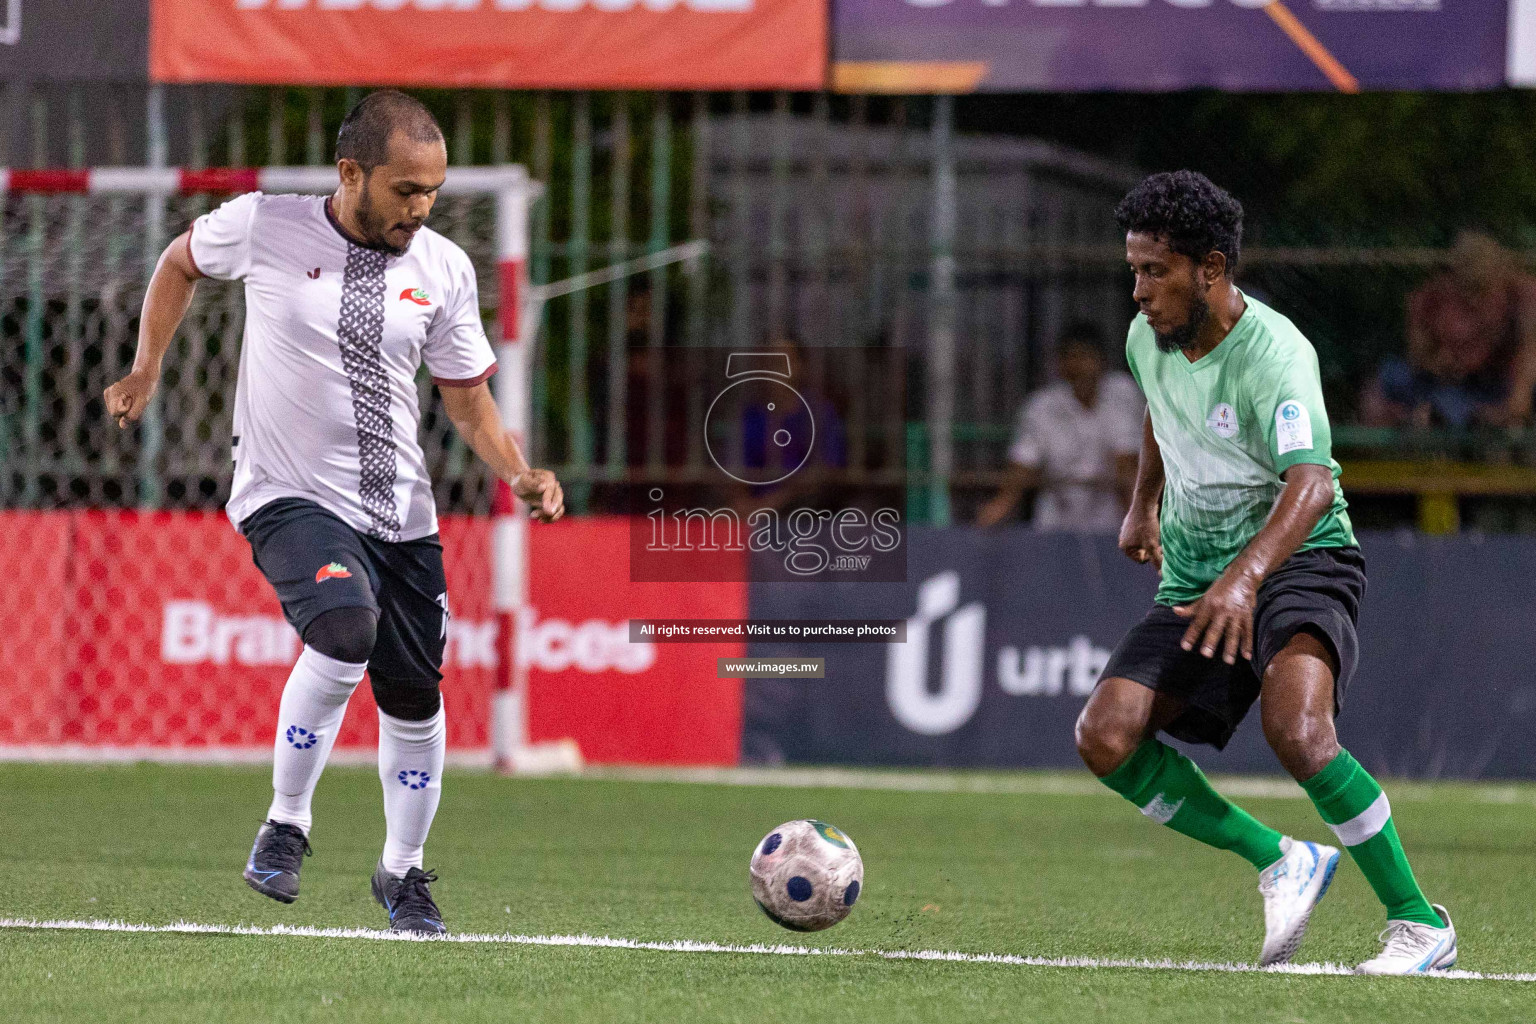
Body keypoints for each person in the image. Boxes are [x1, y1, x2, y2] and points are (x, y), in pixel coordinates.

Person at [102, 91, 565, 935]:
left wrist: (520, 471)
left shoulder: (446, 269)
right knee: (344, 628)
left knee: (415, 701)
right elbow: (177, 263)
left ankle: (402, 874)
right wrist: (146, 370)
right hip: (286, 495)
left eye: (432, 192)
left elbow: (468, 405)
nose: (420, 210)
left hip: (402, 514)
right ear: (351, 173)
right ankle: (286, 824)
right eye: (404, 190)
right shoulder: (264, 224)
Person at [1076, 170, 1455, 974]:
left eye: (1156, 271)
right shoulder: (1149, 339)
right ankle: (1283, 858)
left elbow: (1312, 484)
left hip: (1301, 558)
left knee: (1299, 731)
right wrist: (1142, 505)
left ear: (1210, 269)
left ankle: (1420, 924)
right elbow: (1155, 406)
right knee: (1105, 737)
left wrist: (1247, 579)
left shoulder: (1277, 354)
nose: (1139, 291)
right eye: (1134, 269)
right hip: (1198, 578)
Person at [1361, 230, 1536, 428]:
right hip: (1450, 381)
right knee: (1390, 376)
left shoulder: (1523, 294)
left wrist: (1517, 402)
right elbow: (1419, 354)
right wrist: (1441, 364)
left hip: (1502, 379)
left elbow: (1530, 351)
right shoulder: (1430, 298)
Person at [976, 323, 1143, 530]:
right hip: (1054, 523)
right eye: (1070, 358)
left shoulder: (1122, 395)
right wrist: (1001, 505)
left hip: (1108, 524)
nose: (1078, 366)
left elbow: (1126, 465)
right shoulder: (1041, 406)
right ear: (1060, 364)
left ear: (1102, 361)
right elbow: (1023, 463)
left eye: (1085, 357)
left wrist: (1138, 520)